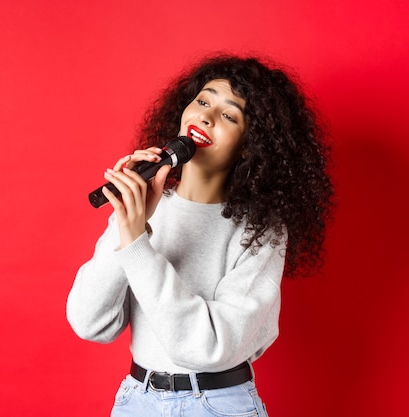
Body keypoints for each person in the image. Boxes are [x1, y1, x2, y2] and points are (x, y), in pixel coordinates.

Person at [66, 54, 334, 416]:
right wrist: (127, 222)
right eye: (203, 101)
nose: (206, 117)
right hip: (137, 401)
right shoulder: (146, 211)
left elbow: (208, 349)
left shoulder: (261, 232)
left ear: (252, 145)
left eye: (228, 115)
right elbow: (89, 322)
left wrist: (136, 244)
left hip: (218, 404)